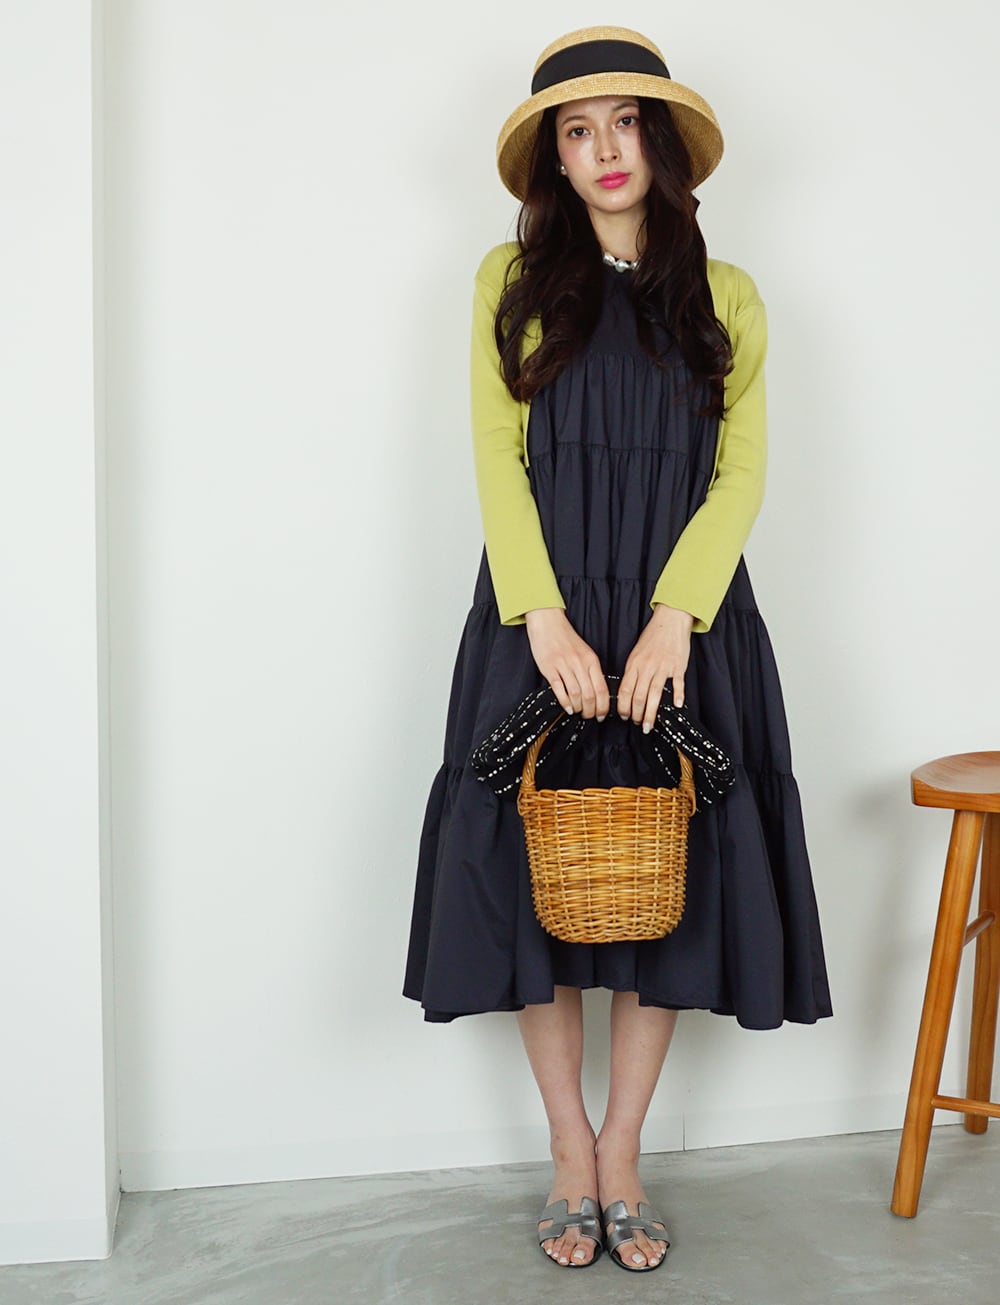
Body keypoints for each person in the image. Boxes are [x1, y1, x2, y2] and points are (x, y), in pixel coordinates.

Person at [403, 25, 833, 1273]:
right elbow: (496, 454)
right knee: (535, 878)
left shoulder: (727, 296)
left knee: (665, 886)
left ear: (661, 144)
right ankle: (567, 1153)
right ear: (554, 155)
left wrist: (673, 617)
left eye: (625, 123)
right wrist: (537, 614)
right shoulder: (508, 280)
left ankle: (625, 1153)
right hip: (535, 616)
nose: (604, 149)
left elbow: (740, 474)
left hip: (680, 628)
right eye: (578, 130)